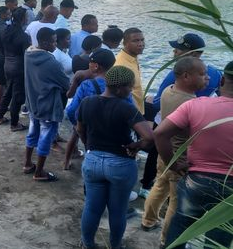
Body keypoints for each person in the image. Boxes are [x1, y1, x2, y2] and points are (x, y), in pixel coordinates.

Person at [155, 60, 233, 249]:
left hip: (196, 181)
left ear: (222, 80)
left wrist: (173, 164)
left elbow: (160, 133)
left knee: (178, 230)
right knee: (218, 239)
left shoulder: (196, 105)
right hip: (230, 189)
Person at [77, 66, 154, 249]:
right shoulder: (126, 109)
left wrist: (89, 146)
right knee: (117, 211)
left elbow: (80, 129)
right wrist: (135, 147)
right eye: (130, 87)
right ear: (120, 88)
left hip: (93, 161)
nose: (131, 90)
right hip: (120, 163)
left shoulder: (87, 102)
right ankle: (116, 246)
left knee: (92, 208)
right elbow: (149, 137)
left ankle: (88, 244)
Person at [140, 57, 208, 247]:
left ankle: (147, 220)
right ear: (186, 76)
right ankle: (166, 239)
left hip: (164, 153)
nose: (207, 79)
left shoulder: (168, 91)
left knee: (159, 185)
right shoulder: (192, 103)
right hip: (180, 157)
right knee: (176, 203)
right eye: (202, 75)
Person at [23, 27, 70, 181]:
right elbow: (65, 84)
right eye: (53, 41)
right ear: (44, 42)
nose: (55, 45)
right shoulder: (51, 61)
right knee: (46, 137)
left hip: (32, 102)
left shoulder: (28, 54)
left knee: (32, 132)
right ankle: (39, 172)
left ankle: (28, 163)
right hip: (48, 106)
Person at [63, 48, 116, 170]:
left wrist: (78, 125)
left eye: (90, 63)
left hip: (88, 125)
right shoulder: (120, 85)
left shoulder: (87, 85)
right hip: (110, 127)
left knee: (80, 142)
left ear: (96, 66)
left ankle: (66, 163)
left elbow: (71, 110)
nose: (88, 65)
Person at [150, 33, 222, 113]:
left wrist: (148, 99)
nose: (174, 50)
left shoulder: (177, 74)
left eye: (179, 48)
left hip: (175, 119)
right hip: (201, 115)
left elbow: (157, 104)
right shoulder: (216, 73)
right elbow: (222, 95)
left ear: (192, 54)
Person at [0, 7, 31, 131]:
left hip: (7, 64)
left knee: (8, 91)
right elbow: (27, 55)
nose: (27, 18)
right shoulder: (23, 36)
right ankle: (14, 124)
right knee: (17, 96)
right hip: (19, 67)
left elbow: (0, 48)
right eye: (26, 16)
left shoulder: (5, 31)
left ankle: (0, 117)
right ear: (23, 19)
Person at [115, 28, 145, 115]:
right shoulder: (121, 65)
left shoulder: (132, 57)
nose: (140, 44)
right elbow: (120, 96)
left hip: (138, 111)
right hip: (130, 114)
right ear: (124, 43)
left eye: (142, 40)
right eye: (135, 41)